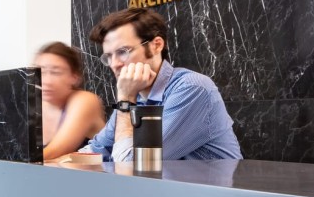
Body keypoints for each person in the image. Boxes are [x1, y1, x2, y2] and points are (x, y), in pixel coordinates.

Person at [83, 8, 242, 162]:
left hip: (212, 189)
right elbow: (96, 150)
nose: (114, 64)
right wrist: (62, 164)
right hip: (163, 188)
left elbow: (131, 165)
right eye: (108, 56)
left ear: (156, 45)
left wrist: (125, 99)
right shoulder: (135, 95)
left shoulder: (193, 88)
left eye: (123, 51)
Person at [34, 42, 107, 161]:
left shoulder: (85, 101)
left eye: (55, 72)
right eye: (39, 72)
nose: (45, 81)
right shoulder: (34, 107)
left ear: (75, 77)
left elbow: (55, 152)